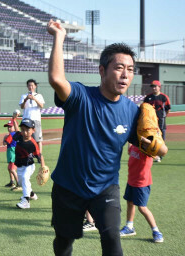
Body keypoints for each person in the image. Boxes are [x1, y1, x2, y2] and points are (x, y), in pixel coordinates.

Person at [46, 19, 165, 255]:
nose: (125, 75)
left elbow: (159, 150)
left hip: (105, 188)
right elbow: (57, 80)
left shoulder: (133, 112)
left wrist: (153, 144)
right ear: (102, 70)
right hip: (68, 186)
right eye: (119, 67)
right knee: (64, 243)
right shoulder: (81, 96)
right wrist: (59, 37)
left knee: (112, 240)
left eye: (130, 70)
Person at [119, 145, 164, 243]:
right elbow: (129, 151)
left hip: (141, 184)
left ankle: (156, 231)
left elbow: (158, 151)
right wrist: (130, 140)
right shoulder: (135, 146)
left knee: (142, 208)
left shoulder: (147, 150)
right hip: (131, 181)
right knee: (130, 203)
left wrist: (148, 141)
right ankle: (129, 227)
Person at [5, 116, 45, 209]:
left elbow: (39, 155)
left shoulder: (33, 143)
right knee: (21, 181)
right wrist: (14, 120)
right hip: (19, 165)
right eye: (23, 129)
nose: (25, 132)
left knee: (25, 178)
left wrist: (43, 168)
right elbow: (16, 130)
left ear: (33, 130)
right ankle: (31, 194)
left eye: (28, 130)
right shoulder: (19, 136)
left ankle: (26, 201)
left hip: (29, 165)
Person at [143, 80, 171, 162]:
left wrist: (163, 116)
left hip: (161, 122)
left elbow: (168, 109)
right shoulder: (148, 97)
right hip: (150, 122)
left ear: (159, 87)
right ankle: (151, 154)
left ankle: (159, 155)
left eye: (155, 86)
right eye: (152, 86)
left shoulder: (164, 97)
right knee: (150, 137)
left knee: (161, 138)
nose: (154, 88)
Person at [19, 79, 45, 152]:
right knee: (26, 138)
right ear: (27, 87)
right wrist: (26, 99)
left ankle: (39, 155)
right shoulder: (24, 96)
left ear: (35, 86)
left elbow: (41, 106)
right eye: (29, 85)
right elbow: (22, 107)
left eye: (32, 85)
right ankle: (28, 154)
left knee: (38, 139)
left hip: (36, 119)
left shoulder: (39, 95)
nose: (31, 87)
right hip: (26, 119)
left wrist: (34, 99)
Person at [2, 119, 19, 189]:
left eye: (10, 127)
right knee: (9, 168)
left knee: (12, 169)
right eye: (8, 127)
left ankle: (19, 183)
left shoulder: (11, 135)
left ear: (15, 127)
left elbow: (4, 143)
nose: (9, 128)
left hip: (12, 153)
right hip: (11, 152)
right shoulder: (15, 134)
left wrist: (4, 138)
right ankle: (12, 182)